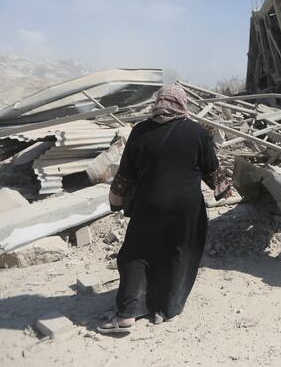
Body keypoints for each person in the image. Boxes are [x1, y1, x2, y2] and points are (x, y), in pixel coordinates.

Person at [98, 84, 233, 334]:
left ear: (157, 102)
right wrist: (223, 190)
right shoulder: (196, 132)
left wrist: (115, 201)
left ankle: (128, 312)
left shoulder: (140, 131)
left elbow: (124, 176)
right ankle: (167, 309)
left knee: (135, 255)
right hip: (187, 210)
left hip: (149, 207)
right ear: (181, 103)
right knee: (178, 254)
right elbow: (213, 170)